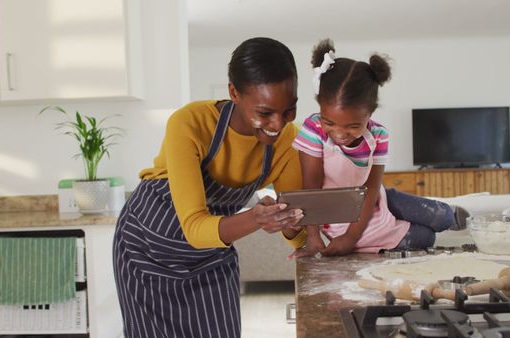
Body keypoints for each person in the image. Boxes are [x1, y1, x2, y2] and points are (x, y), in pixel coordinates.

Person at [112, 37, 304, 338]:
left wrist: (292, 226)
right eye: (265, 113)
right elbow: (193, 226)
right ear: (233, 93)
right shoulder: (190, 123)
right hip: (147, 249)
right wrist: (255, 218)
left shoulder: (288, 140)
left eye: (288, 111)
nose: (278, 124)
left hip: (211, 254)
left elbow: (298, 226)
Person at [285, 39, 467, 257]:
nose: (340, 134)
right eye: (330, 123)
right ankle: (398, 226)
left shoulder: (379, 135)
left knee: (444, 216)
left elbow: (371, 189)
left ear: (369, 114)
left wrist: (353, 238)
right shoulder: (313, 130)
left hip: (375, 198)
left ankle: (455, 219)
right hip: (338, 214)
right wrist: (315, 237)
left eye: (353, 126)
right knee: (426, 238)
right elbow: (311, 188)